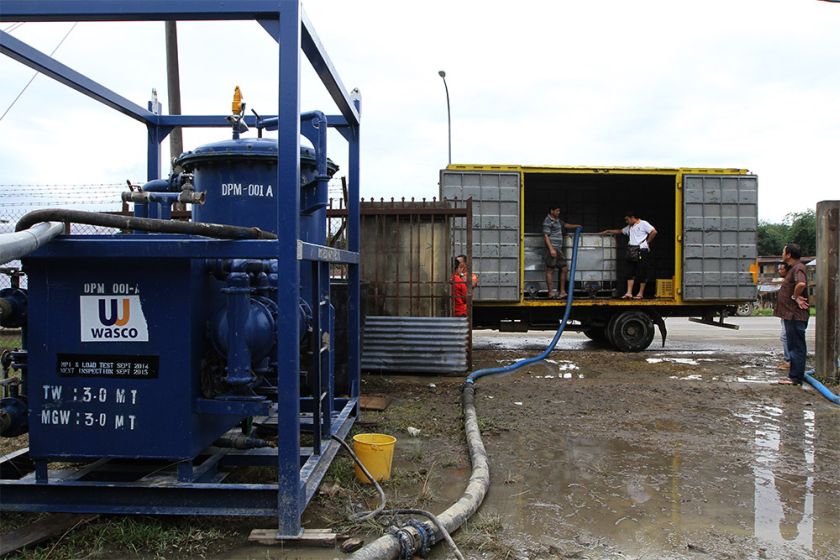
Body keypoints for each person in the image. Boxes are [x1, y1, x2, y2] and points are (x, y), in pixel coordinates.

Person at [600, 211, 657, 299]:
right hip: (631, 250)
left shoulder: (643, 223)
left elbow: (654, 231)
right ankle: (629, 293)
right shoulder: (630, 226)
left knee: (642, 272)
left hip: (641, 250)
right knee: (629, 272)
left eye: (627, 219)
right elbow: (620, 231)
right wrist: (608, 231)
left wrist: (647, 242)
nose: (626, 221)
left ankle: (640, 293)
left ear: (632, 217)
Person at [775, 243, 809, 385]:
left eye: (784, 251)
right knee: (794, 346)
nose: (782, 253)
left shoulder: (798, 268)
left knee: (797, 347)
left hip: (795, 315)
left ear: (788, 254)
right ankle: (794, 376)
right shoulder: (793, 268)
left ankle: (795, 378)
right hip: (790, 315)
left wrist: (795, 297)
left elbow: (801, 284)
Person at [542, 206, 582, 298]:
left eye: (559, 211)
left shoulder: (557, 220)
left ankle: (562, 292)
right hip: (552, 248)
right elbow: (546, 236)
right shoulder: (547, 221)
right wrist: (551, 249)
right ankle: (550, 292)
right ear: (551, 211)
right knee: (550, 270)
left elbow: (565, 225)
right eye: (557, 211)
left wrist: (577, 226)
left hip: (558, 249)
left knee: (564, 269)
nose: (558, 212)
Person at [776, 262, 791, 370]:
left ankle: (788, 361)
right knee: (785, 336)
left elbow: (801, 286)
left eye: (781, 269)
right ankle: (788, 360)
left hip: (789, 313)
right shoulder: (788, 280)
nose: (779, 271)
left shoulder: (791, 279)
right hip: (786, 313)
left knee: (785, 337)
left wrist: (795, 297)